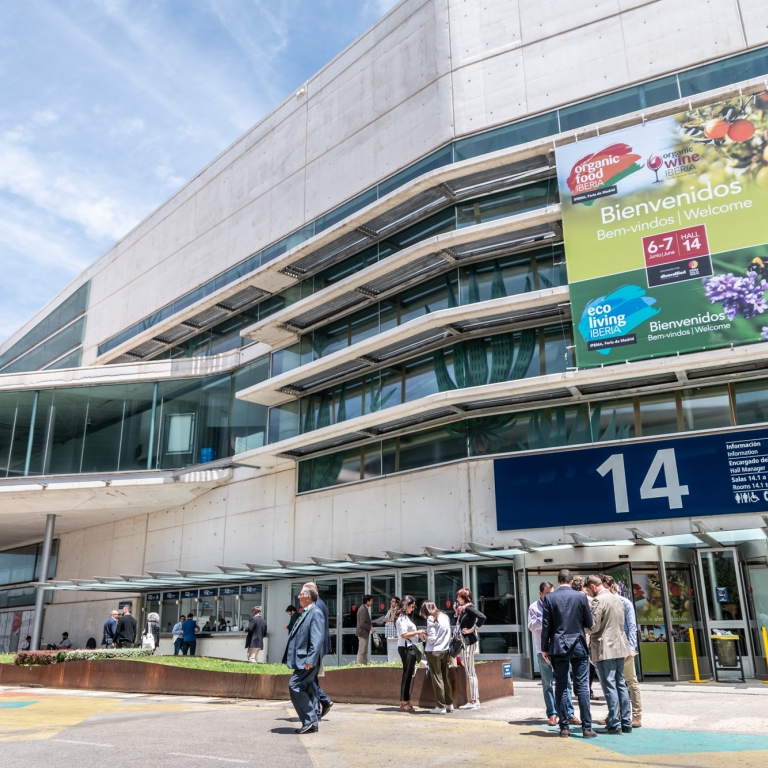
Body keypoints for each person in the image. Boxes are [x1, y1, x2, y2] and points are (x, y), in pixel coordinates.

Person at [540, 569, 596, 739]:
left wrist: (544, 648)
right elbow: (589, 622)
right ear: (571, 581)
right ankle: (587, 728)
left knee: (561, 686)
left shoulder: (549, 598)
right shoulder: (580, 596)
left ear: (558, 581)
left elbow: (546, 626)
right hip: (578, 643)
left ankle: (564, 727)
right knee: (582, 687)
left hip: (558, 645)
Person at [585, 575, 632, 735]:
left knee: (610, 685)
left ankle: (614, 723)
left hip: (605, 648)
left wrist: (582, 627)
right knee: (621, 684)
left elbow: (593, 626)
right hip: (620, 647)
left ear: (592, 586)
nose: (589, 594)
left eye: (589, 590)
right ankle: (626, 722)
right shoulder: (617, 598)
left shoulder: (599, 600)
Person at [528, 581, 578, 727]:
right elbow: (531, 626)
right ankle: (552, 714)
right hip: (542, 650)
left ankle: (569, 713)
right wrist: (545, 617)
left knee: (566, 682)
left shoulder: (557, 603)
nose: (551, 596)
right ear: (541, 594)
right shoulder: (534, 607)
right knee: (547, 684)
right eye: (548, 594)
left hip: (559, 649)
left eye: (552, 592)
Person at [602, 575, 642, 728]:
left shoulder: (625, 603)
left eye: (606, 587)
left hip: (625, 648)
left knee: (631, 682)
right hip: (612, 649)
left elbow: (632, 626)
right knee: (615, 682)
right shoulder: (605, 603)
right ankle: (615, 713)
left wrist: (632, 648)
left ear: (612, 587)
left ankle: (637, 715)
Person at [285, 584, 325, 734]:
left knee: (294, 685)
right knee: (307, 686)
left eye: (301, 594)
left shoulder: (315, 612)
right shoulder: (307, 612)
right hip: (302, 659)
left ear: (308, 597)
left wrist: (310, 659)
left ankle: (310, 720)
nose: (298, 596)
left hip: (307, 661)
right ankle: (312, 721)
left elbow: (317, 639)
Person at [302, 582, 333, 720]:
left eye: (302, 593)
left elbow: (316, 631)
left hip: (315, 649)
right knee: (311, 679)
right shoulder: (320, 604)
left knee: (311, 679)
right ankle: (319, 706)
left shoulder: (316, 606)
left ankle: (321, 704)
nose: (300, 596)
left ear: (310, 593)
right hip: (317, 648)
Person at [455, 588, 486, 710]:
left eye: (459, 597)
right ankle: (473, 700)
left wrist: (472, 629)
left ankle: (474, 700)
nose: (457, 599)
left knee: (470, 671)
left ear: (464, 598)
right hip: (465, 641)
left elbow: (482, 617)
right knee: (469, 670)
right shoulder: (463, 610)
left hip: (469, 641)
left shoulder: (469, 608)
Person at [420, 601, 453, 714]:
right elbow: (448, 632)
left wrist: (423, 636)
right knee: (445, 677)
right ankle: (449, 704)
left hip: (434, 651)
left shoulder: (431, 618)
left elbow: (432, 639)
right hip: (445, 649)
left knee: (437, 678)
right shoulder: (444, 616)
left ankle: (440, 706)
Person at [396, 595, 423, 712]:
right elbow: (403, 635)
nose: (413, 609)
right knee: (407, 674)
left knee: (409, 673)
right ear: (406, 606)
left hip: (410, 647)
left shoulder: (405, 617)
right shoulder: (401, 618)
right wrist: (418, 632)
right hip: (406, 648)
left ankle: (406, 701)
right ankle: (403, 702)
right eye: (412, 606)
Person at [355, 594, 375, 665]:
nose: (372, 602)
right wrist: (370, 628)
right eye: (371, 600)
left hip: (364, 633)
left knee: (364, 651)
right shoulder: (363, 609)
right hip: (362, 633)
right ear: (367, 601)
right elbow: (362, 623)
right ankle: (359, 666)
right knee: (362, 651)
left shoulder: (364, 608)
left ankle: (364, 666)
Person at [383, 596, 400, 663]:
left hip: (396, 635)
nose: (391, 602)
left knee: (396, 651)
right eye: (391, 601)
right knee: (390, 651)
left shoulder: (398, 611)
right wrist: (390, 619)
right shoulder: (390, 610)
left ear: (397, 603)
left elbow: (394, 619)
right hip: (390, 635)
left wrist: (392, 613)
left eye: (393, 601)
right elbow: (384, 619)